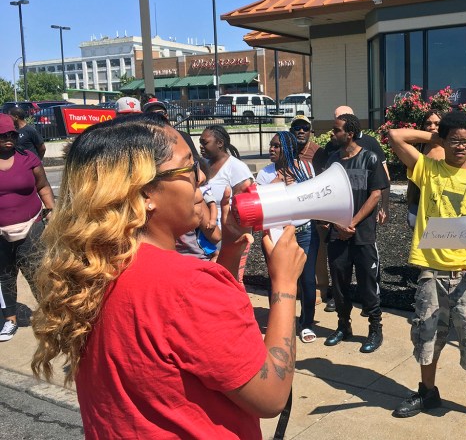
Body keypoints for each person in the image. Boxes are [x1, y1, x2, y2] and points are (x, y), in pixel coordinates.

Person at [31, 115, 306, 438]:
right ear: (145, 193)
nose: (201, 177)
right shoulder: (187, 285)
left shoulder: (90, 267)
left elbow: (198, 335)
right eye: (188, 167)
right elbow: (271, 396)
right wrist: (285, 286)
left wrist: (229, 248)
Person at [387, 111, 466, 434]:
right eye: (455, 140)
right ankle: (427, 393)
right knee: (427, 335)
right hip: (431, 272)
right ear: (444, 141)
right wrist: (435, 137)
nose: (462, 147)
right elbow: (395, 136)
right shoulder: (427, 169)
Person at [323, 114, 388, 353]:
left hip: (362, 235)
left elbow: (375, 195)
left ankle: (375, 329)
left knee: (368, 284)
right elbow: (325, 195)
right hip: (337, 234)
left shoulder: (369, 158)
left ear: (349, 133)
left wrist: (352, 222)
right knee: (339, 284)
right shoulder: (332, 161)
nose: (332, 134)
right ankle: (343, 326)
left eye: (336, 130)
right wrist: (338, 224)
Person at [257, 131, 319, 343]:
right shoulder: (265, 174)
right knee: (276, 280)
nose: (271, 149)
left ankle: (307, 323)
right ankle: (282, 322)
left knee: (308, 280)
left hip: (305, 232)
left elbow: (313, 197)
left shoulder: (305, 169)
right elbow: (260, 203)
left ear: (289, 148)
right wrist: (277, 181)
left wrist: (295, 182)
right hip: (276, 235)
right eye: (271, 145)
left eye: (277, 146)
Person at [0, 114, 55, 342]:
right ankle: (10, 320)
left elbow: (42, 186)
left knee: (37, 273)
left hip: (31, 226)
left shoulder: (28, 158)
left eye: (12, 134)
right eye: (3, 136)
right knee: (4, 276)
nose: (8, 139)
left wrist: (51, 209)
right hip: (0, 233)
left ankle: (49, 317)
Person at [288, 114, 329, 306]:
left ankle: (321, 287)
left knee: (317, 249)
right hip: (293, 209)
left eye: (305, 127)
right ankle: (297, 286)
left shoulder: (318, 152)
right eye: (297, 127)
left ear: (311, 131)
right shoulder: (287, 150)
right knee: (294, 249)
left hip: (315, 207)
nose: (301, 131)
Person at [200, 124, 254, 223]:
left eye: (205, 143)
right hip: (203, 229)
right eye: (200, 143)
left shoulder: (236, 167)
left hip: (225, 229)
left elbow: (243, 206)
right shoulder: (203, 164)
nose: (201, 146)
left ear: (220, 143)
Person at [405, 111, 444, 228]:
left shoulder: (449, 149)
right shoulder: (418, 148)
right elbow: (396, 136)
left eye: (437, 124)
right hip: (418, 200)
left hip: (443, 204)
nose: (432, 127)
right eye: (428, 124)